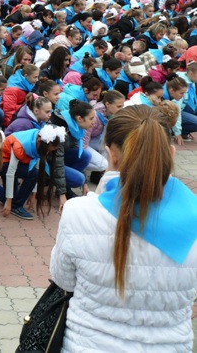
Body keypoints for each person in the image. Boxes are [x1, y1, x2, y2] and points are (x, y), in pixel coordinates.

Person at [50, 104, 197, 352]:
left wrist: (101, 191)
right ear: (171, 153)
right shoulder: (192, 215)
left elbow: (63, 280)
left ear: (111, 155)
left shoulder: (79, 212)